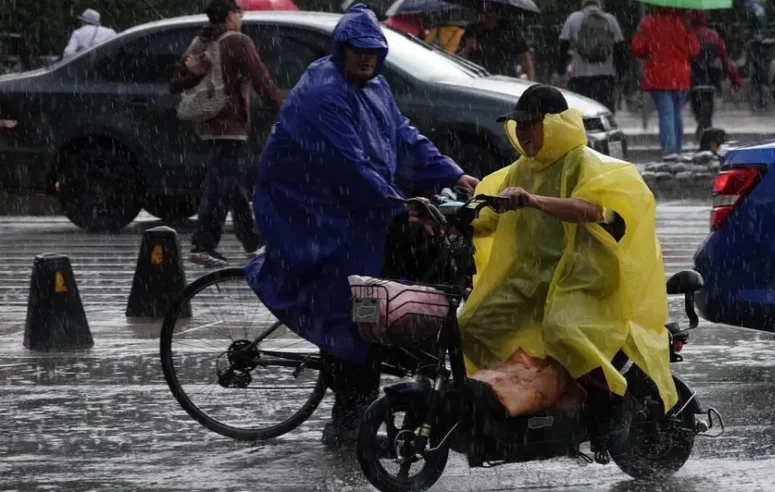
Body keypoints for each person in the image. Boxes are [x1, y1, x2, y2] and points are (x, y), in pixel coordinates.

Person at [244, 4, 479, 448]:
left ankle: (378, 378)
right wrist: (400, 205)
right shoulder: (325, 94)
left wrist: (451, 173)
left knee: (398, 286)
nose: (367, 57)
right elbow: (350, 167)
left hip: (354, 207)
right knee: (354, 310)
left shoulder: (376, 86)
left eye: (374, 50)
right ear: (342, 49)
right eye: (358, 50)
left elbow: (403, 137)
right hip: (312, 213)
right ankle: (348, 421)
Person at [459, 83, 677, 463]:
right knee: (472, 325)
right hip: (531, 280)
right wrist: (445, 218)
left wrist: (534, 201)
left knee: (562, 330)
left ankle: (609, 405)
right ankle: (525, 402)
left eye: (530, 124)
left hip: (586, 277)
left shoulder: (586, 164)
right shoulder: (520, 171)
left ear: (554, 125)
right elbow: (490, 215)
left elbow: (594, 210)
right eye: (518, 125)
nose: (523, 133)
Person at [169, 0, 284, 267]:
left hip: (209, 121)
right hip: (230, 123)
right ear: (230, 15)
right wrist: (283, 107)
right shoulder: (238, 41)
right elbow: (261, 78)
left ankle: (252, 242)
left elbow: (175, 82)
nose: (240, 18)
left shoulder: (201, 41)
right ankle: (203, 244)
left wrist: (194, 73)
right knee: (220, 185)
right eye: (238, 13)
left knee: (232, 184)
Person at [631, 7, 700, 161]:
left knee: (666, 113)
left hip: (658, 75)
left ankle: (669, 152)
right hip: (681, 75)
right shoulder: (683, 23)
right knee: (676, 113)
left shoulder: (648, 22)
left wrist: (651, 52)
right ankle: (677, 150)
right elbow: (694, 50)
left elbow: (637, 48)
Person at [552, 0, 627, 112]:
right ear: (600, 4)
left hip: (579, 76)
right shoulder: (610, 19)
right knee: (604, 112)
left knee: (581, 113)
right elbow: (619, 48)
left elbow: (563, 46)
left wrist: (560, 72)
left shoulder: (573, 18)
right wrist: (621, 74)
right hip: (605, 77)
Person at [687, 10, 741, 140]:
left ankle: (703, 128)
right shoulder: (713, 36)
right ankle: (706, 130)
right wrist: (734, 79)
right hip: (711, 78)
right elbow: (725, 59)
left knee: (697, 105)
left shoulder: (688, 35)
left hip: (693, 78)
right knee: (708, 104)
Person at [457, 4, 535, 80]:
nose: (489, 16)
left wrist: (530, 81)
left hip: (506, 78)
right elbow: (458, 61)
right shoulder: (472, 31)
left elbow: (525, 57)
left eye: (491, 12)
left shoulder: (508, 28)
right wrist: (467, 48)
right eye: (485, 12)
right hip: (479, 79)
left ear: (497, 13)